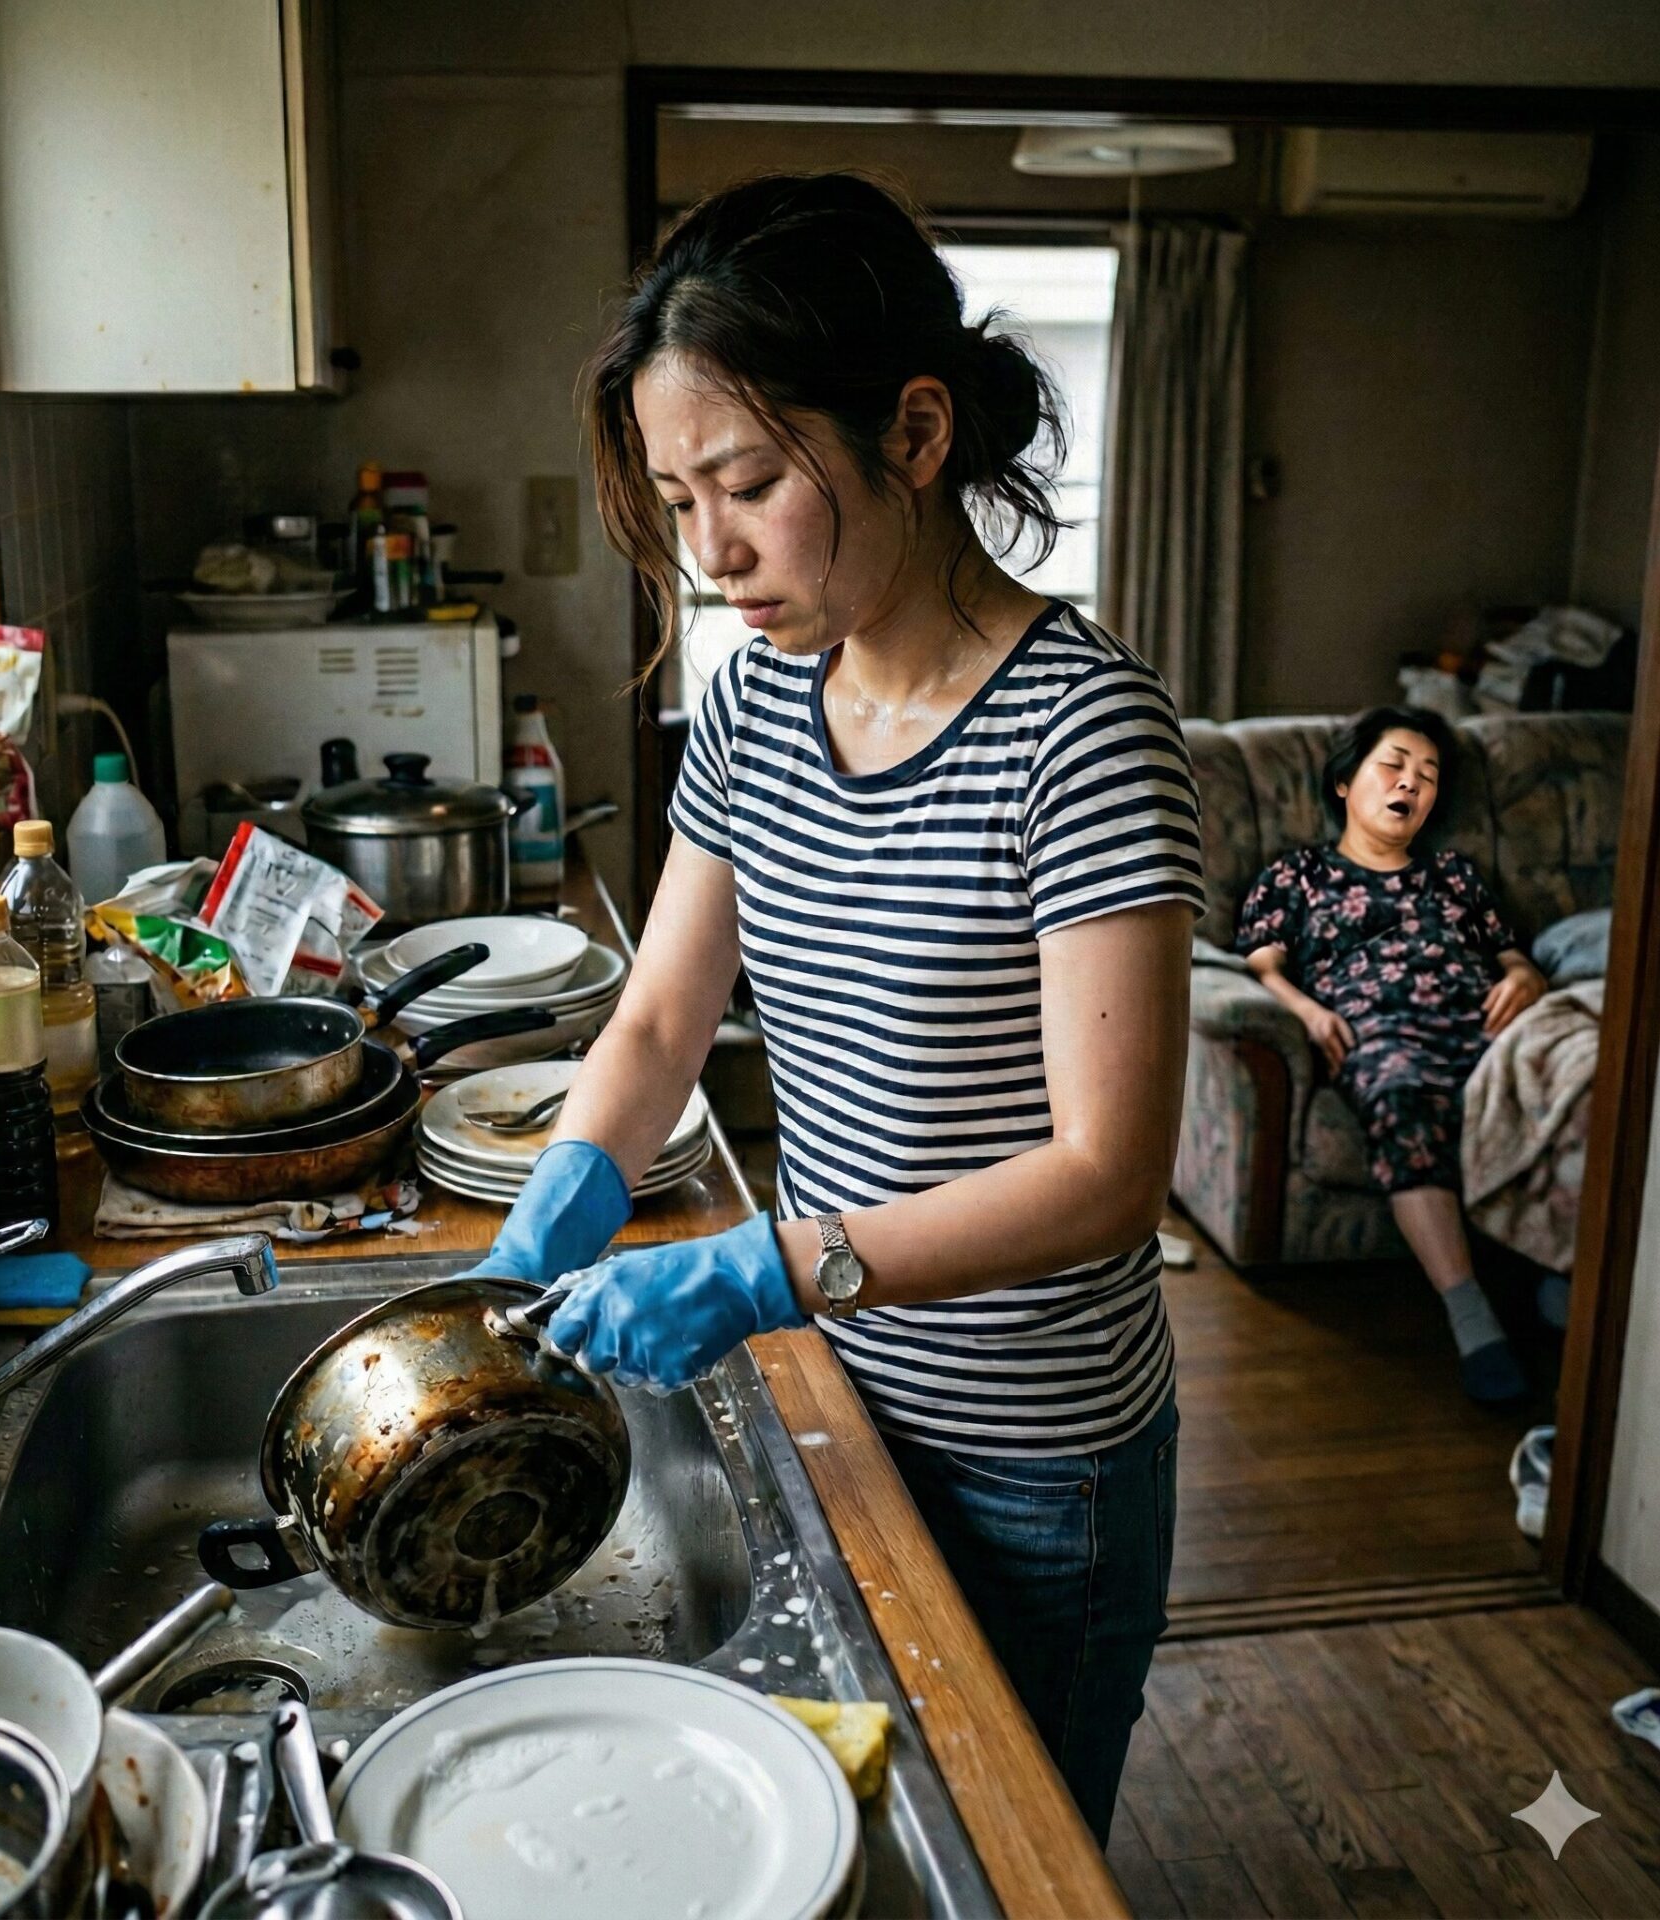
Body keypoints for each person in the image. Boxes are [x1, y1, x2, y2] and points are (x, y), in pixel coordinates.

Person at [463, 172, 1204, 1844]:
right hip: (842, 1400)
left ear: (915, 433)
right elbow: (662, 1022)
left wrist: (767, 1268)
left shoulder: (1083, 735)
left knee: (1007, 1853)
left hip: (1040, 1464)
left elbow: (1107, 1177)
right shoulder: (753, 707)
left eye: (749, 484)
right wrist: (570, 1180)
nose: (711, 551)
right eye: (679, 497)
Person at [1236, 706, 1548, 1402]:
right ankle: (1472, 1316)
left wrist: (1524, 979)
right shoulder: (1298, 874)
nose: (1412, 782)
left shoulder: (1455, 876)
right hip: (1383, 1034)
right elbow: (1262, 966)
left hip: (1481, 1024)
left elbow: (1512, 957)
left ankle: (1557, 1276)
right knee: (1402, 1096)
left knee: (1555, 1079)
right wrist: (1309, 1011)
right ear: (1345, 782)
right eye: (1395, 765)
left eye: (1428, 775)